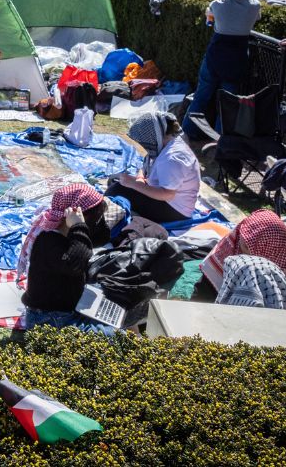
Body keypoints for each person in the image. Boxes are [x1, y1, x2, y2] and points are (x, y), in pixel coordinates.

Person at [18, 183, 116, 336]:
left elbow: (102, 237)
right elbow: (76, 263)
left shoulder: (70, 235)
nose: (96, 223)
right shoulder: (48, 242)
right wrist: (79, 226)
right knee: (116, 336)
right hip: (48, 319)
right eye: (95, 219)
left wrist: (86, 224)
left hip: (66, 310)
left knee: (119, 311)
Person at [183, 0, 260, 138]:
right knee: (227, 103)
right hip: (237, 58)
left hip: (215, 55)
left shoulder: (217, 4)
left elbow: (209, 15)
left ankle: (187, 132)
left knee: (201, 96)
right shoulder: (255, 6)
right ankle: (220, 140)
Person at [192, 209, 286, 302]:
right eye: (242, 239)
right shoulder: (233, 242)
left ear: (266, 253)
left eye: (247, 247)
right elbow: (204, 291)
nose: (239, 246)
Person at [107, 112, 200, 224]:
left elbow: (168, 194)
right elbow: (146, 166)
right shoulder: (167, 144)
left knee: (117, 189)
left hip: (175, 210)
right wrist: (140, 179)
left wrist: (134, 185)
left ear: (152, 135)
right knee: (115, 179)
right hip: (164, 197)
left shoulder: (173, 158)